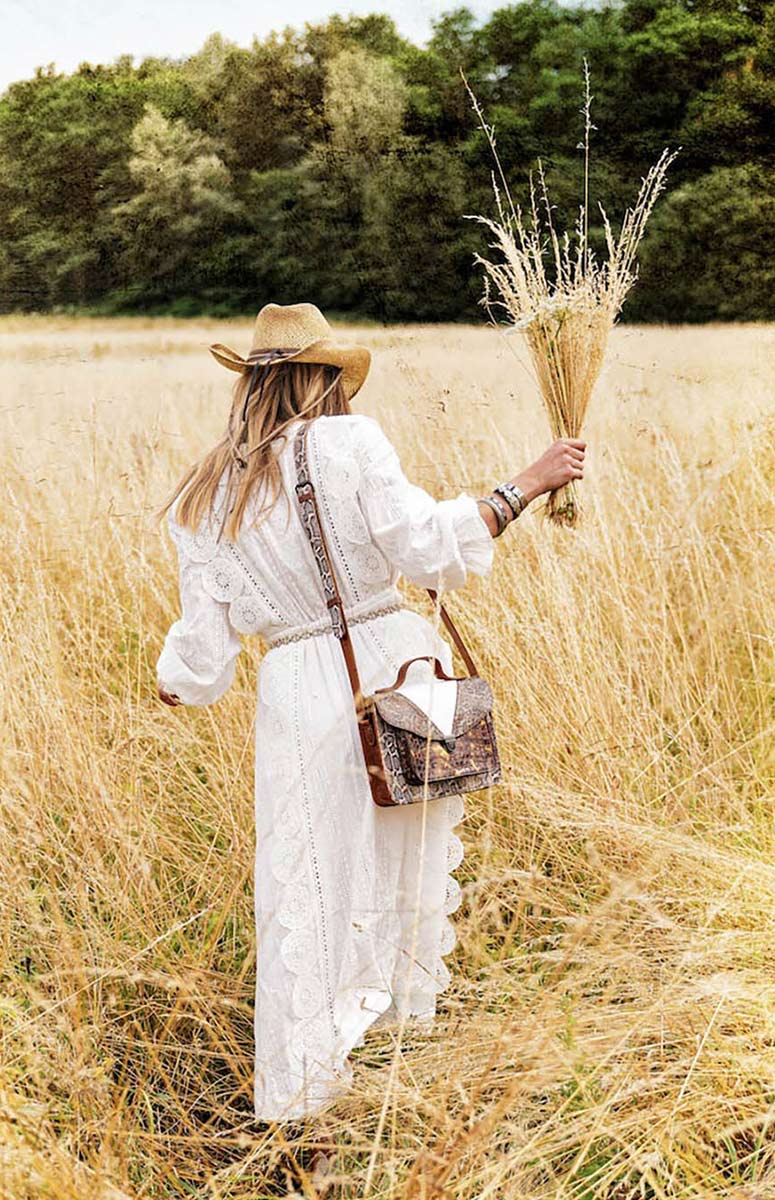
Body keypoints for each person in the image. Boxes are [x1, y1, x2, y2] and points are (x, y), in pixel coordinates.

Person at [154, 302, 586, 1136]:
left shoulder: (203, 494)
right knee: (401, 874)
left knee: (308, 885)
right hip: (396, 673)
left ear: (253, 384)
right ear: (321, 377)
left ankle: (305, 1099)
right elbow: (428, 548)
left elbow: (202, 658)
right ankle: (396, 1071)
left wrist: (177, 682)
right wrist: (527, 484)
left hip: (296, 691)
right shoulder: (351, 444)